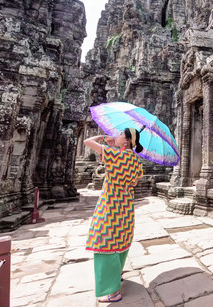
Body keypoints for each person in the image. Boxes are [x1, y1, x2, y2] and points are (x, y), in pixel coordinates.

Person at [84, 128, 144, 303]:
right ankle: (115, 276)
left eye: (119, 135)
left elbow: (87, 142)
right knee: (121, 241)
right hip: (125, 206)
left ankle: (113, 292)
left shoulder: (114, 155)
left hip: (110, 205)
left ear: (126, 141)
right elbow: (133, 182)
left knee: (104, 243)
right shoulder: (136, 159)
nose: (115, 136)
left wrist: (104, 138)